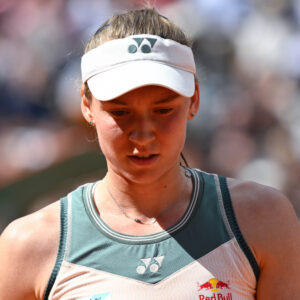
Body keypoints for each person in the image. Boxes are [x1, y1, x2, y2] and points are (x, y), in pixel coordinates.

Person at [0, 7, 300, 300]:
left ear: (194, 100)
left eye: (163, 110)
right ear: (86, 105)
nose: (143, 134)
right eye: (120, 111)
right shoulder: (28, 246)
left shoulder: (264, 220)